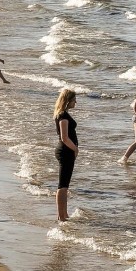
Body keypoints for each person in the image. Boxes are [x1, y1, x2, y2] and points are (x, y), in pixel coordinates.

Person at [53, 88, 78, 222]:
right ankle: (61, 215)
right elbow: (64, 137)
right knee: (62, 185)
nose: (76, 102)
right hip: (65, 151)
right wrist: (75, 149)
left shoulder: (63, 113)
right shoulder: (62, 115)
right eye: (74, 100)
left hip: (66, 151)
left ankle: (64, 213)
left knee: (65, 185)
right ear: (68, 101)